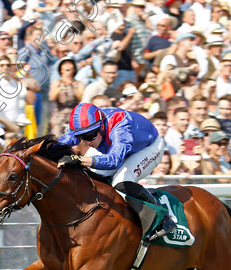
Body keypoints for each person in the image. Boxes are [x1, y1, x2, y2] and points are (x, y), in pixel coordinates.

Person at [57, 103, 176, 241]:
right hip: (122, 150)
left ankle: (162, 218)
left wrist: (79, 159)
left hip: (148, 148)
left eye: (89, 136)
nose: (86, 142)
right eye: (81, 137)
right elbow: (63, 142)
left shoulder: (120, 125)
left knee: (120, 182)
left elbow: (114, 161)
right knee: (90, 177)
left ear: (101, 126)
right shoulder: (90, 126)